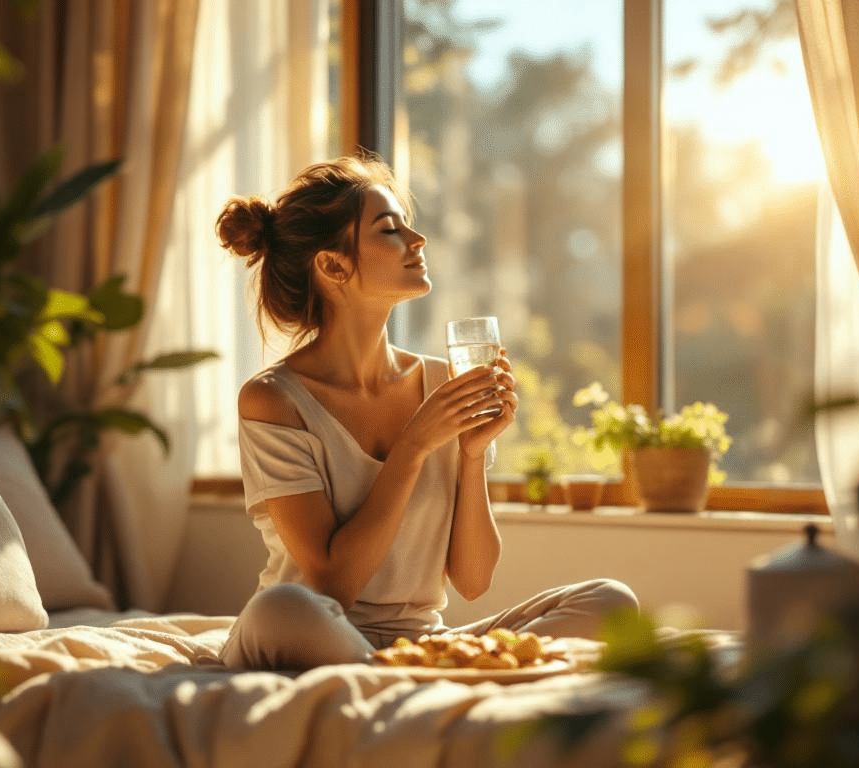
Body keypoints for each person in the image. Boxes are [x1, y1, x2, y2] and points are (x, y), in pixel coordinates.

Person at [215, 154, 638, 671]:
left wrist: (472, 455)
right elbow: (332, 585)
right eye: (390, 230)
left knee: (609, 601)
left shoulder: (443, 383)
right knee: (281, 609)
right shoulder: (274, 399)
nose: (417, 240)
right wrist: (414, 445)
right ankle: (419, 677)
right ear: (333, 266)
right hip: (316, 629)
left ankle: (405, 675)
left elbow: (473, 581)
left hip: (418, 643)